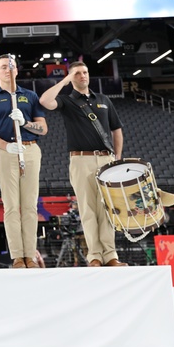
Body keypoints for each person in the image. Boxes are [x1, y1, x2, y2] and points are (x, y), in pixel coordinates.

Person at [39, 61, 127, 267]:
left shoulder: (104, 100)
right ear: (71, 78)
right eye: (77, 73)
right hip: (81, 160)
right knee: (87, 210)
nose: (83, 76)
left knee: (107, 210)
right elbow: (45, 100)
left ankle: (111, 255)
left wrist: (118, 158)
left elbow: (117, 130)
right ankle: (94, 255)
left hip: (106, 159)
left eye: (85, 72)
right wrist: (64, 80)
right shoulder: (67, 102)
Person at [0, 54, 48, 269]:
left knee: (29, 206)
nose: (7, 70)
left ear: (17, 71)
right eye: (3, 67)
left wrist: (25, 123)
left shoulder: (30, 96)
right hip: (6, 152)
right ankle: (18, 256)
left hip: (30, 150)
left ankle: (31, 255)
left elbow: (43, 128)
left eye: (11, 66)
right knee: (11, 207)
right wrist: (5, 145)